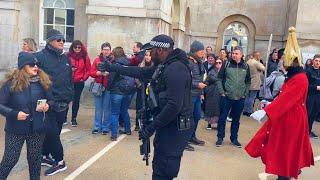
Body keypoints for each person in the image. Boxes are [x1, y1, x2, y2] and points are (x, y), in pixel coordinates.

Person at [98, 34, 193, 180]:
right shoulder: (165, 65)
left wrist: (151, 127)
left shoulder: (176, 69)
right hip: (167, 126)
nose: (149, 54)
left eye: (151, 51)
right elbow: (140, 72)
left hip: (174, 129)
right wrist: (112, 67)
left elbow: (174, 106)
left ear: (160, 50)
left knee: (164, 171)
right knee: (160, 166)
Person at [247, 27, 314, 180]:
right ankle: (283, 173)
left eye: (285, 60)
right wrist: (270, 102)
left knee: (285, 149)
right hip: (286, 117)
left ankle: (285, 175)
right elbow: (283, 96)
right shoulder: (293, 76)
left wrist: (267, 111)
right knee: (280, 148)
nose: (283, 62)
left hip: (291, 120)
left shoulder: (300, 78)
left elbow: (287, 100)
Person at [0, 52, 51, 180]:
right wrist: (14, 114)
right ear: (23, 66)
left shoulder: (42, 81)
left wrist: (48, 105)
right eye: (32, 64)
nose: (36, 67)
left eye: (37, 64)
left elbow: (52, 100)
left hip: (37, 129)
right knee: (10, 159)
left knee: (35, 161)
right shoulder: (10, 83)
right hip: (16, 129)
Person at [35, 29, 74, 176]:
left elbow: (69, 79)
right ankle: (59, 161)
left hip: (63, 103)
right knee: (51, 133)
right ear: (50, 40)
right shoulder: (39, 57)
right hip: (47, 103)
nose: (62, 42)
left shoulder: (65, 58)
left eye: (63, 40)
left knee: (54, 132)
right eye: (59, 40)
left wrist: (70, 97)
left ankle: (46, 155)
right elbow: (32, 77)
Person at [215, 46, 251, 148]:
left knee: (236, 120)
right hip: (226, 97)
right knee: (222, 118)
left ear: (241, 55)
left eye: (236, 53)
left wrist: (245, 93)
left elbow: (248, 81)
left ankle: (234, 138)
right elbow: (219, 78)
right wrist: (222, 91)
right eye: (233, 53)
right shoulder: (226, 64)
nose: (234, 55)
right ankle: (220, 138)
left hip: (240, 98)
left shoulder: (246, 66)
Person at [107, 47, 134, 141]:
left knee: (114, 113)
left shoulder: (115, 65)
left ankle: (114, 135)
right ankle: (128, 130)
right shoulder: (129, 63)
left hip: (117, 92)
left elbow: (111, 79)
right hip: (128, 91)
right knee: (124, 111)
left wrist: (108, 88)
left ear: (114, 54)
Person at [66, 40, 91, 127]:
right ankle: (64, 118)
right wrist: (70, 70)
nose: (77, 49)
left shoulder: (85, 57)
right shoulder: (67, 56)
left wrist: (83, 78)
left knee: (76, 101)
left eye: (79, 47)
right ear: (72, 48)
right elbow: (62, 67)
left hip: (79, 82)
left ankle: (73, 118)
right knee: (66, 99)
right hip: (68, 81)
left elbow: (88, 70)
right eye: (75, 47)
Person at [89, 42, 112, 135]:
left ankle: (105, 127)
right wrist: (98, 73)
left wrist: (109, 73)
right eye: (105, 49)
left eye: (108, 49)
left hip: (108, 87)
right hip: (98, 86)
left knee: (107, 108)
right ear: (101, 50)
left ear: (110, 51)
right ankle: (97, 126)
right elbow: (91, 72)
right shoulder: (97, 60)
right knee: (98, 108)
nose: (106, 51)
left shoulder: (112, 60)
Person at [187, 40, 206, 147]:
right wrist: (197, 85)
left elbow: (201, 78)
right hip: (190, 94)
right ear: (195, 51)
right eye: (201, 51)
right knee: (188, 118)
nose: (203, 53)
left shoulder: (199, 61)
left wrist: (201, 91)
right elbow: (186, 78)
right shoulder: (189, 61)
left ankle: (192, 136)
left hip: (198, 94)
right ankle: (184, 140)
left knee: (197, 116)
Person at [134, 50, 153, 131]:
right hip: (141, 89)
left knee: (150, 106)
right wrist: (139, 84)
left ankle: (149, 124)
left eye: (149, 55)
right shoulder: (140, 65)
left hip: (150, 90)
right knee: (139, 106)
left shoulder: (154, 66)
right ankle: (138, 124)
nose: (147, 57)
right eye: (146, 55)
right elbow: (136, 76)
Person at [243, 51, 265, 116]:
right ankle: (249, 111)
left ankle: (245, 110)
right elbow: (263, 68)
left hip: (248, 82)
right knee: (252, 98)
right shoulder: (256, 63)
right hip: (254, 82)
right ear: (257, 56)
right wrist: (261, 63)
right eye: (259, 55)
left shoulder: (248, 61)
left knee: (247, 97)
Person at [204, 57, 223, 130]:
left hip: (220, 93)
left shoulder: (223, 72)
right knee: (210, 108)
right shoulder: (211, 72)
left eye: (220, 62)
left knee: (219, 108)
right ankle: (209, 123)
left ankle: (218, 124)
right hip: (212, 92)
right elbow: (209, 80)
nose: (218, 64)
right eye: (217, 62)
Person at [306, 54, 320, 139]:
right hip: (310, 97)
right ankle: (304, 132)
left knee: (313, 115)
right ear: (313, 61)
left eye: (319, 61)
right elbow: (305, 86)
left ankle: (309, 131)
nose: (318, 63)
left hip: (318, 97)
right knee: (307, 115)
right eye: (316, 61)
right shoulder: (308, 71)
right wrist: (316, 87)